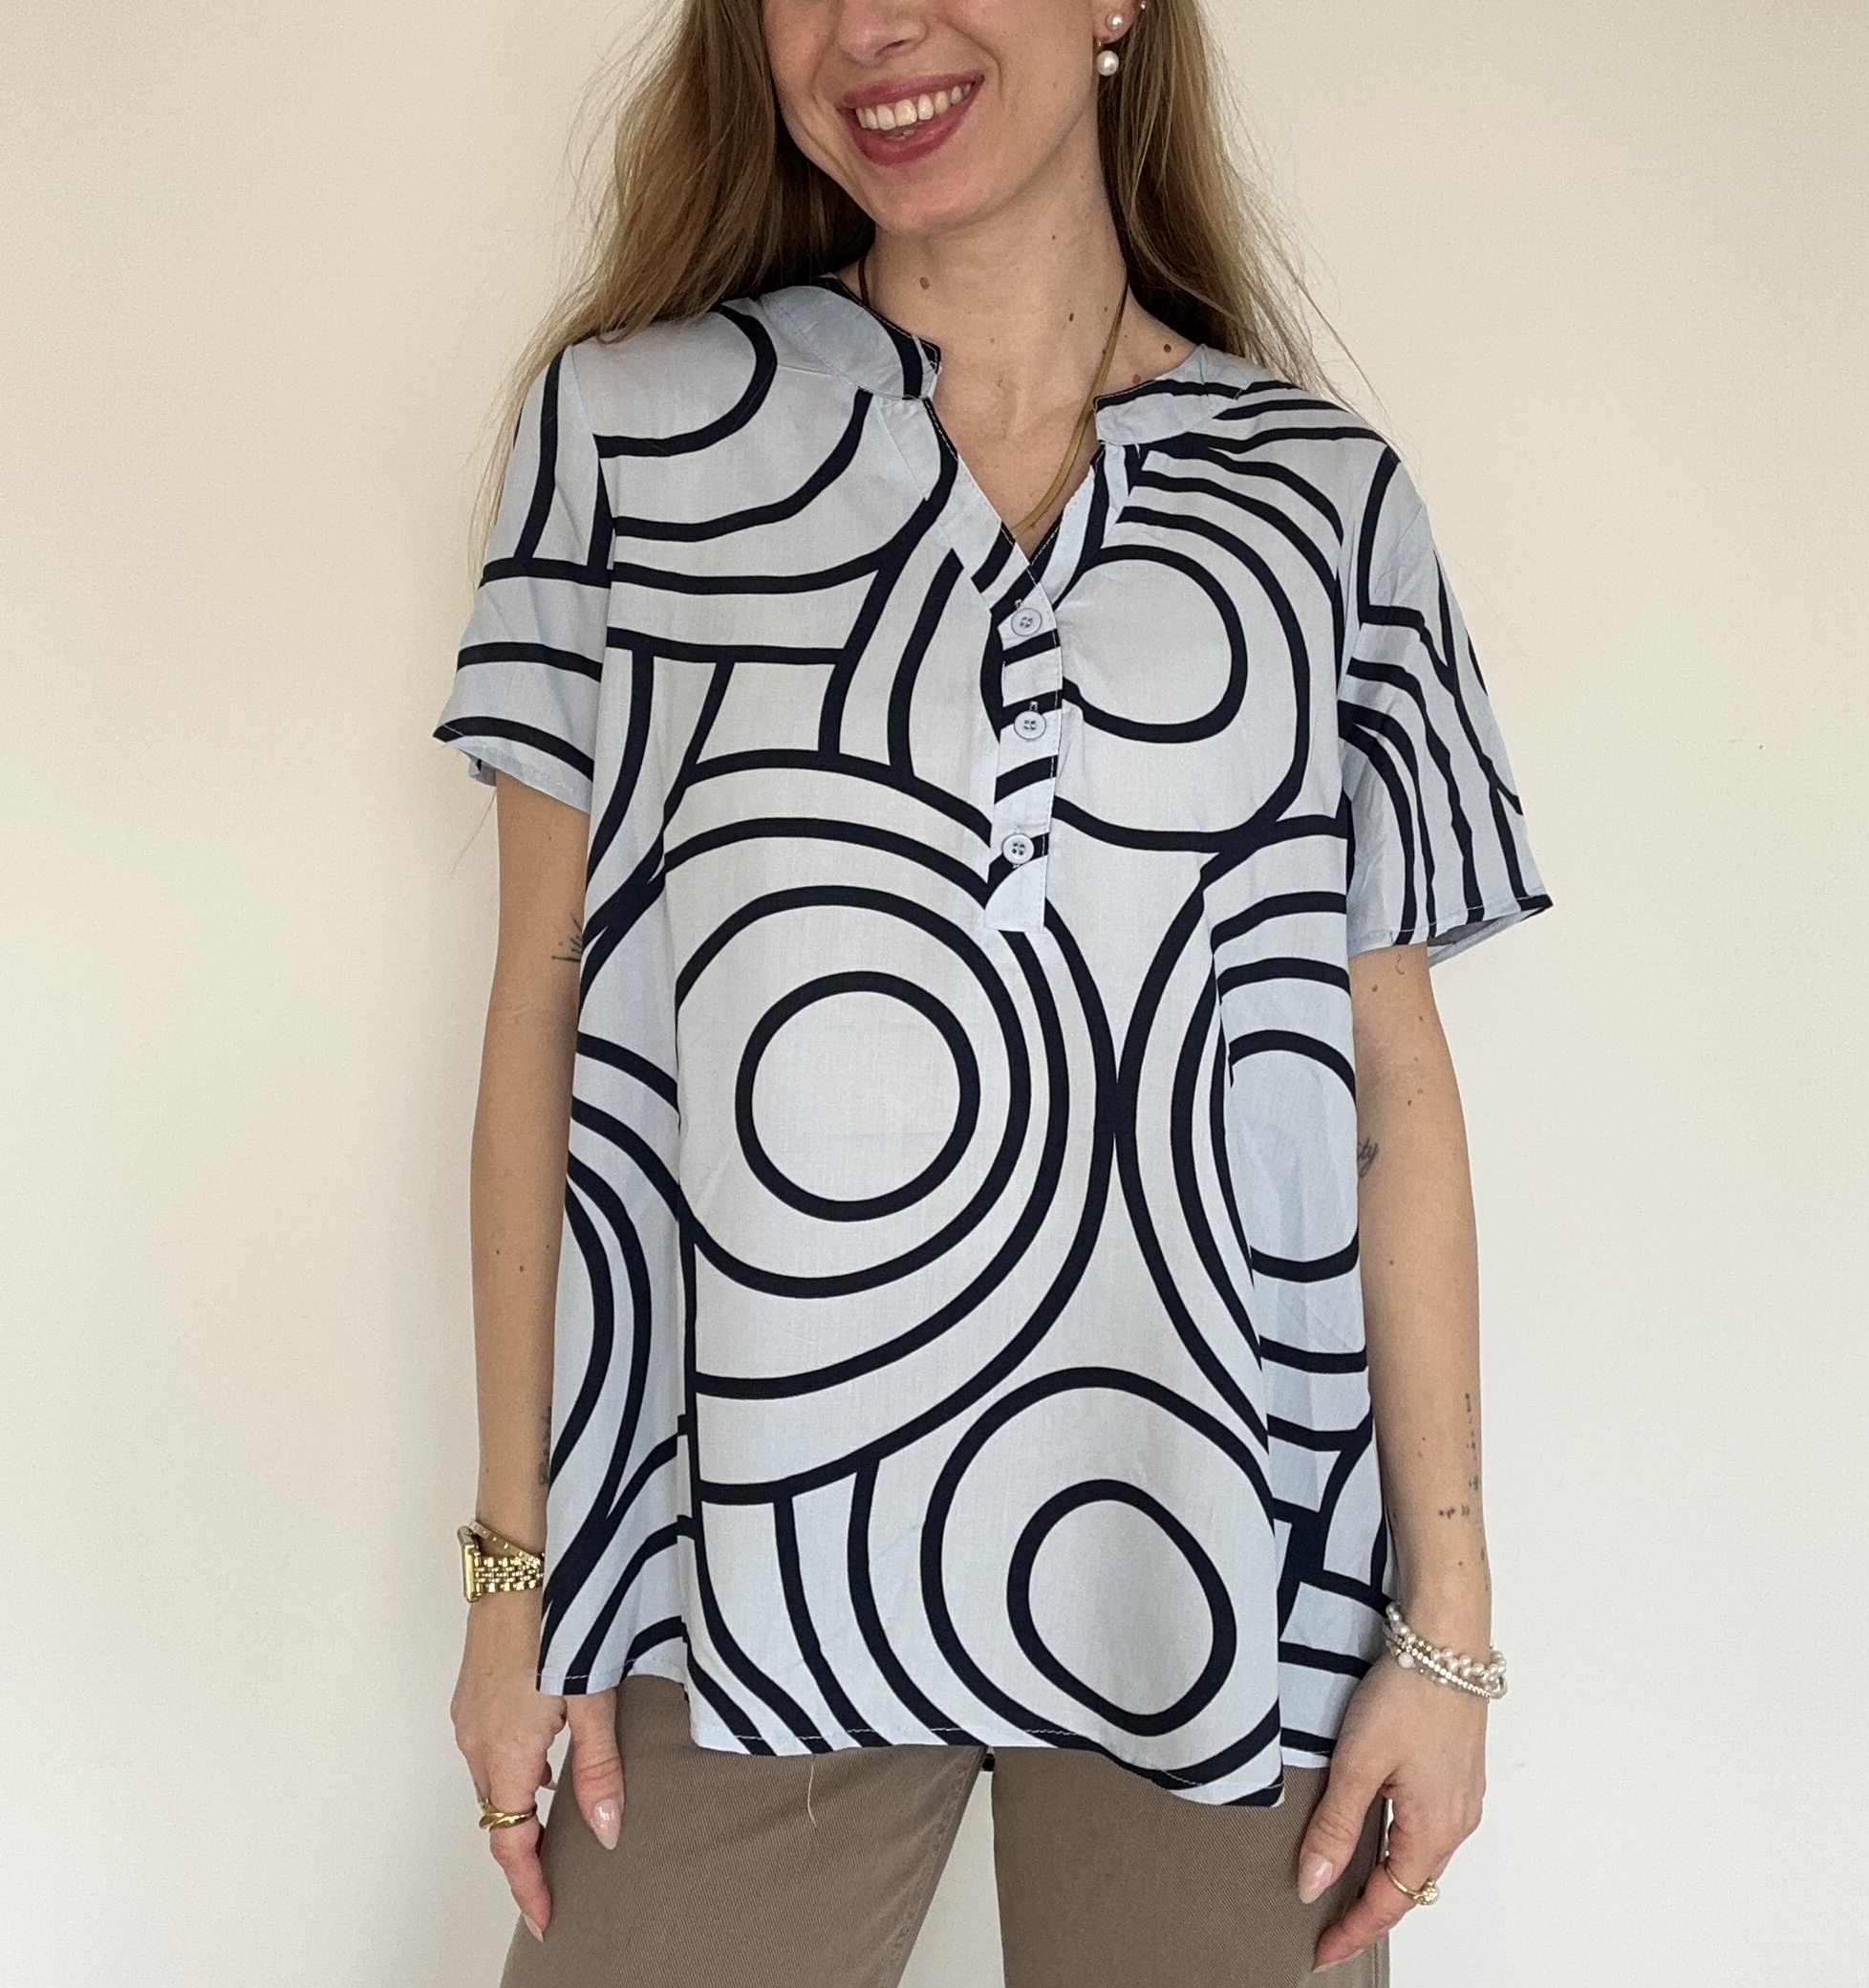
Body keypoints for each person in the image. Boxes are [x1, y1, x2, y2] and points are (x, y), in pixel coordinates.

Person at [438, 2, 1550, 1983]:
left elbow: (1387, 1086)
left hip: (1223, 1569)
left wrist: (1444, 1632)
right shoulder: (629, 441)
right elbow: (545, 1011)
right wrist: (516, 1574)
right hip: (730, 1564)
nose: (874, 28)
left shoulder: (1320, 502)